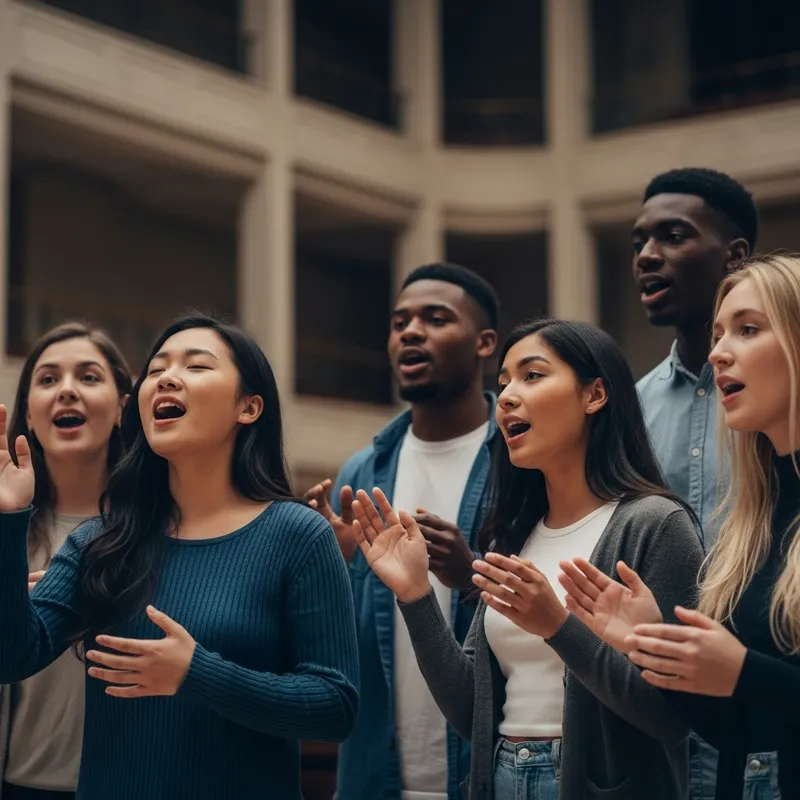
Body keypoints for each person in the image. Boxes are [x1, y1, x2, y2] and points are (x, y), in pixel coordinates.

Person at [0, 314, 359, 800]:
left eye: (196, 367)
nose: (166, 377)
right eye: (156, 369)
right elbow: (12, 655)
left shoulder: (299, 536)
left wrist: (197, 673)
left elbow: (334, 707)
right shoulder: (98, 541)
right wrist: (8, 516)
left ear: (249, 407)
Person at [349, 318, 704, 800]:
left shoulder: (656, 525)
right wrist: (414, 593)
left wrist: (558, 626)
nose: (508, 397)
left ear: (594, 394)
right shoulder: (514, 538)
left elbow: (675, 719)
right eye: (504, 383)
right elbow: (469, 710)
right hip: (500, 779)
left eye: (532, 376)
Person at [560, 255, 800, 799]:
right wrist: (648, 648)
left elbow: (755, 688)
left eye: (748, 329)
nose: (717, 352)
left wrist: (743, 672)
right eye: (718, 334)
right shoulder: (749, 526)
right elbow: (737, 736)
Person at [306, 263, 499, 800]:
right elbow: (335, 643)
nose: (411, 332)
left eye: (436, 319)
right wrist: (330, 566)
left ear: (485, 343)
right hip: (376, 776)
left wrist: (470, 575)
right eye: (399, 323)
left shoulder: (519, 462)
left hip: (487, 771)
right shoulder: (361, 473)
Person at [632, 167, 757, 799]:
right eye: (639, 244)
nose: (647, 257)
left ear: (735, 255)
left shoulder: (783, 404)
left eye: (673, 236)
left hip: (770, 720)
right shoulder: (626, 412)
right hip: (660, 730)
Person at [1, 322, 131, 800]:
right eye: (48, 379)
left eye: (89, 377)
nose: (68, 391)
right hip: (17, 784)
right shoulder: (4, 525)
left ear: (123, 408)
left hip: (128, 784)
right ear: (29, 416)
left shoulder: (164, 529)